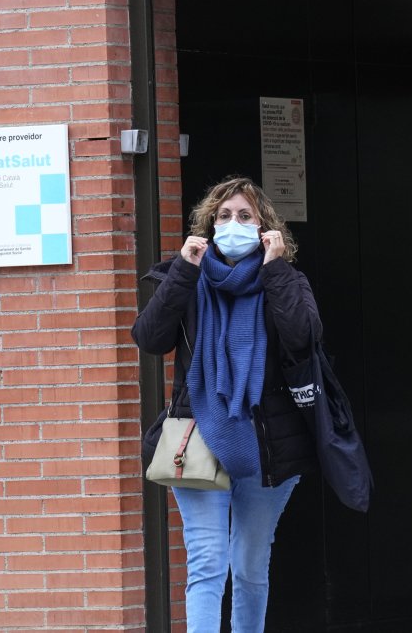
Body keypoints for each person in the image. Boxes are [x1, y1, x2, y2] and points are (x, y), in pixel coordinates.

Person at [134, 176, 322, 633]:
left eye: (244, 216)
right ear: (208, 224)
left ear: (265, 229)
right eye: (223, 216)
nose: (233, 224)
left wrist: (275, 271)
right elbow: (150, 338)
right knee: (207, 561)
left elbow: (304, 338)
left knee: (250, 566)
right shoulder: (185, 278)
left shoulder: (287, 280)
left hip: (267, 443)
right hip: (198, 438)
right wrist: (184, 270)